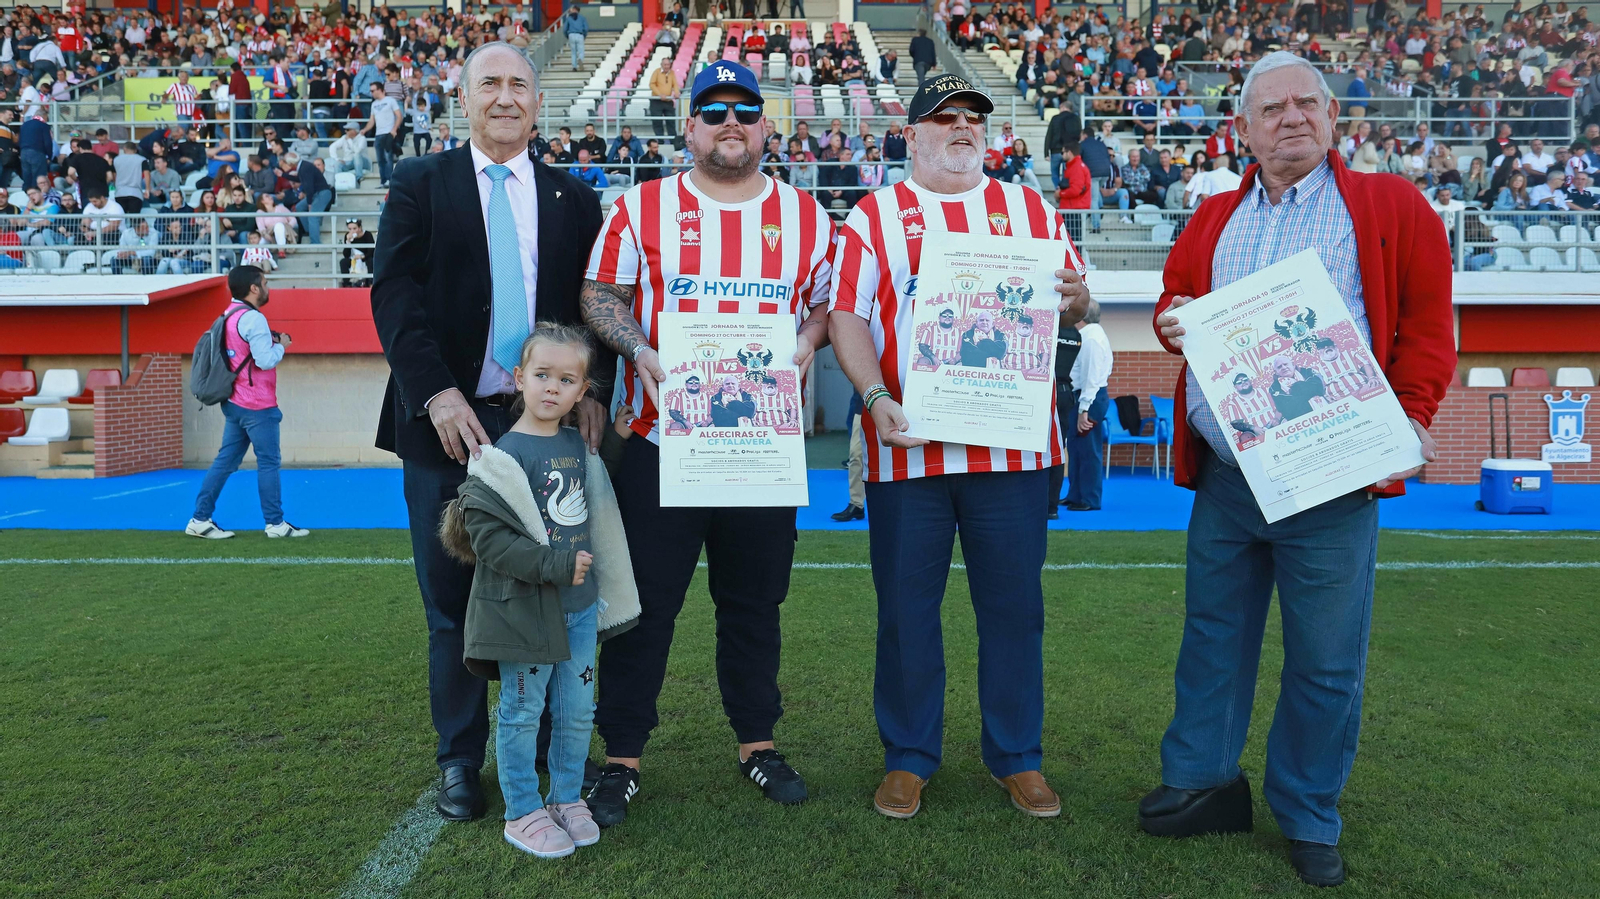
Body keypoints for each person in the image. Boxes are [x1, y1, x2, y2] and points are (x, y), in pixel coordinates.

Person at [1145, 52, 1455, 889]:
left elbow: (1429, 325)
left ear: (1331, 115)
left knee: (1323, 658)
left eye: (1307, 103)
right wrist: (1173, 319)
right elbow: (1177, 298)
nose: (1293, 117)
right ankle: (1202, 781)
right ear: (1242, 128)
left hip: (1330, 477)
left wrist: (1414, 415)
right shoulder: (1214, 214)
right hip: (1227, 477)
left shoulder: (1392, 206)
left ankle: (1309, 811)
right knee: (1211, 638)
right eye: (1273, 108)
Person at [826, 73, 1091, 822]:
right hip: (908, 451)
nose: (963, 126)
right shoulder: (874, 215)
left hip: (1012, 453)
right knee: (906, 612)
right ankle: (909, 756)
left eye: (973, 115)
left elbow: (1080, 300)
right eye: (944, 117)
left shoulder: (1031, 208)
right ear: (912, 135)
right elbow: (846, 316)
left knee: (1015, 609)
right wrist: (874, 395)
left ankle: (1018, 756)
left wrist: (1080, 299)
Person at [579, 59, 836, 828]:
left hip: (759, 444)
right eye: (714, 110)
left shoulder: (807, 216)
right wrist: (639, 349)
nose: (731, 122)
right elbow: (599, 291)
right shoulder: (641, 208)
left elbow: (827, 305)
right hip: (661, 442)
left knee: (755, 603)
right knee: (643, 607)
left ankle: (758, 741)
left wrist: (806, 343)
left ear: (766, 128)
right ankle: (622, 756)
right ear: (688, 126)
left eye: (746, 110)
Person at [372, 41, 608, 826]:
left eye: (518, 84)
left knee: (549, 592)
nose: (505, 96)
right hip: (447, 424)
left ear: (538, 102)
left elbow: (591, 308)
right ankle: (459, 758)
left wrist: (592, 391)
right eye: (489, 84)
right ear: (464, 99)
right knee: (451, 600)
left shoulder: (576, 198)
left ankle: (542, 748)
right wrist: (436, 393)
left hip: (543, 429)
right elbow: (393, 294)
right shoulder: (419, 182)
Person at [436, 323, 641, 859]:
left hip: (579, 610)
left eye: (567, 380)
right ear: (519, 378)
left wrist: (616, 439)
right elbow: (488, 539)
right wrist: (555, 565)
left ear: (582, 391)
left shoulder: (576, 443)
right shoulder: (499, 456)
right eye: (542, 375)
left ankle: (567, 799)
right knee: (523, 714)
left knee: (576, 713)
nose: (552, 387)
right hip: (526, 613)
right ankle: (522, 811)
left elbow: (595, 491)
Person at [186, 266, 309, 540]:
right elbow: (264, 360)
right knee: (268, 462)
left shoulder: (229, 314)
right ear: (254, 288)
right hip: (258, 405)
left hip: (235, 402)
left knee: (225, 462)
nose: (267, 287)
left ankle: (200, 518)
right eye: (264, 283)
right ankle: (275, 523)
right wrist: (282, 346)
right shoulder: (254, 318)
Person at [1063, 301, 1112, 511]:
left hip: (1090, 398)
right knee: (1076, 449)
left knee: (1088, 450)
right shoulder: (1088, 335)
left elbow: (1091, 378)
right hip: (1084, 397)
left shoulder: (1091, 339)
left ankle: (1090, 499)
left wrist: (1084, 410)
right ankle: (1075, 495)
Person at [362, 82, 403, 187]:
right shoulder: (374, 104)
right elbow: (372, 120)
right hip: (378, 134)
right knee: (380, 159)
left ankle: (389, 180)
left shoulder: (390, 100)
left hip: (388, 133)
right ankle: (383, 181)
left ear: (380, 90)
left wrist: (394, 130)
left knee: (388, 158)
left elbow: (399, 116)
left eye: (372, 90)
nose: (371, 93)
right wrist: (364, 130)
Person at [648, 57, 679, 139]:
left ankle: (673, 140)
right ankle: (660, 141)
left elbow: (675, 84)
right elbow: (652, 84)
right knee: (657, 122)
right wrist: (660, 94)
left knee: (671, 121)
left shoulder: (672, 73)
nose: (667, 66)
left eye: (668, 64)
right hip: (656, 101)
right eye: (665, 65)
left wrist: (676, 92)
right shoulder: (656, 72)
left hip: (668, 101)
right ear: (661, 65)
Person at [563, 5, 588, 71]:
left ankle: (574, 67)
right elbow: (586, 28)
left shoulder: (569, 18)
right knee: (581, 51)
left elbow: (565, 29)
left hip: (571, 35)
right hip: (580, 35)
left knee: (573, 52)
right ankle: (580, 59)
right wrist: (584, 35)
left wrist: (567, 35)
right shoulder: (582, 18)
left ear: (574, 10)